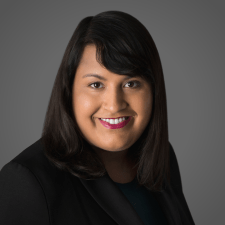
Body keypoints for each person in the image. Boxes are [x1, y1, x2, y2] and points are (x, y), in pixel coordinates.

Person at [0, 10, 195, 225]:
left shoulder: (162, 157)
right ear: (69, 92)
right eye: (96, 85)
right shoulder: (27, 181)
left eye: (131, 83)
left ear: (154, 91)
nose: (114, 105)